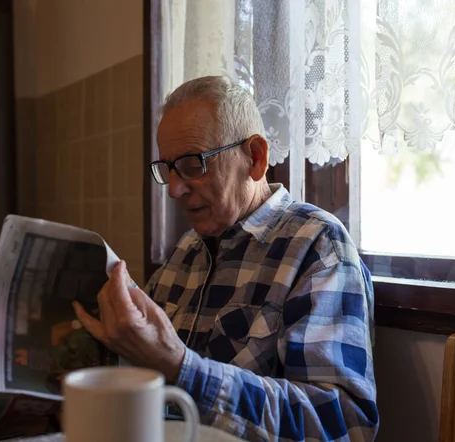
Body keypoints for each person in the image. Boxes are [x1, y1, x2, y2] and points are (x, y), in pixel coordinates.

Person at [73, 76, 379, 441]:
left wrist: (181, 367)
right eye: (168, 169)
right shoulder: (183, 254)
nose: (175, 189)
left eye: (192, 164)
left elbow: (342, 425)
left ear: (255, 158)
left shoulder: (317, 245)